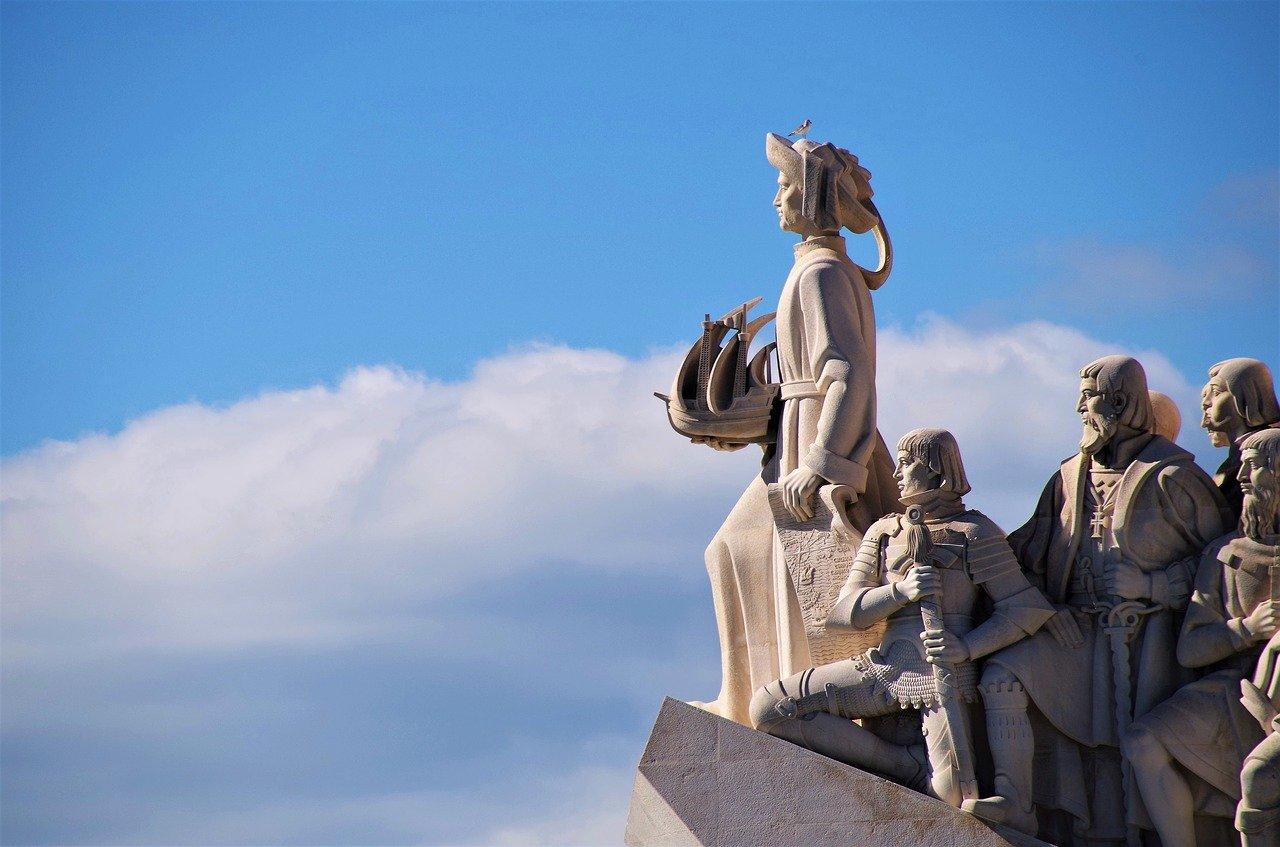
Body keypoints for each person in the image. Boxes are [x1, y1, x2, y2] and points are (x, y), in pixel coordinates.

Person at [967, 355, 1231, 842]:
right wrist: (970, 544)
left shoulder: (1174, 477)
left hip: (1150, 638)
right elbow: (1028, 552)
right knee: (1004, 674)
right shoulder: (1069, 476)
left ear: (1120, 401)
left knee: (1128, 752)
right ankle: (1014, 802)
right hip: (1077, 629)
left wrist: (1153, 587)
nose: (1078, 407)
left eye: (1087, 397)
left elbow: (1223, 560)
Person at [690, 133, 901, 725]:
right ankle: (752, 692)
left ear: (814, 196)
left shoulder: (824, 275)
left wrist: (824, 464)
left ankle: (778, 697)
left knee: (740, 549)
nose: (776, 199)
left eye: (786, 187)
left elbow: (847, 374)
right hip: (799, 429)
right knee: (736, 549)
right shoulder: (819, 269)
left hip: (819, 440)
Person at [748, 428, 1054, 806]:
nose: (897, 473)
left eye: (908, 463)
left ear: (937, 471)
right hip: (884, 665)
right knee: (769, 709)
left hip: (945, 671)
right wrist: (900, 592)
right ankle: (902, 765)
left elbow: (1024, 609)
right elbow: (844, 614)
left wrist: (966, 647)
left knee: (952, 795)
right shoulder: (885, 531)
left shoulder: (975, 532)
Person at [1124, 428, 1280, 847]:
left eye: (1257, 464)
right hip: (1234, 689)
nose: (1243, 474)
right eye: (1242, 462)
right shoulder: (1226, 552)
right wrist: (1247, 629)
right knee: (1143, 742)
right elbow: (1191, 649)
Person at [1201, 358, 1280, 520]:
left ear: (1248, 394)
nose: (1206, 403)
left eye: (1216, 393)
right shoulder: (1231, 459)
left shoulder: (1270, 450)